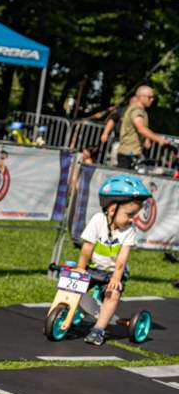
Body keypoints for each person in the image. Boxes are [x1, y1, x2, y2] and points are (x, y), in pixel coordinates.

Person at [75, 175, 152, 346]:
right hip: (93, 267)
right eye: (129, 214)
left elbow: (122, 258)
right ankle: (79, 310)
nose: (132, 219)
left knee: (112, 294)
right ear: (112, 209)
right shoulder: (97, 220)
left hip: (113, 272)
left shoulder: (129, 230)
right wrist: (81, 268)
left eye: (135, 215)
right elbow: (87, 247)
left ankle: (98, 329)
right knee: (73, 284)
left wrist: (116, 279)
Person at [116, 85, 168, 170]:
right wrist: (159, 139)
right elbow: (141, 128)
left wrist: (146, 140)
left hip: (132, 153)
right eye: (149, 97)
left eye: (153, 97)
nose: (152, 99)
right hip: (128, 154)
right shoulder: (136, 111)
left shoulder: (141, 111)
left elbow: (137, 129)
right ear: (141, 97)